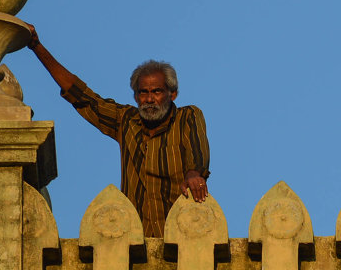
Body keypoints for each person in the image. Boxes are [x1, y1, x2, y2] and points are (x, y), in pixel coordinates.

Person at [25, 24, 210, 238]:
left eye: (157, 91)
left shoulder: (187, 116)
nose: (149, 99)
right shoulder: (126, 120)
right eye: (143, 92)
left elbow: (197, 154)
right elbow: (82, 96)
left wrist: (194, 175)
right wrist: (37, 47)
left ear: (173, 94)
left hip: (180, 233)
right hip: (135, 239)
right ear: (135, 97)